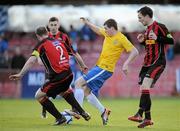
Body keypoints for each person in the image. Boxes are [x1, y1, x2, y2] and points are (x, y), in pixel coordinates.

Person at [9, 26, 90, 125]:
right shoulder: (60, 41)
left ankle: (60, 118)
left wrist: (21, 74)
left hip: (58, 77)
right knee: (63, 91)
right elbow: (75, 54)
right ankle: (82, 112)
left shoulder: (41, 44)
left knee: (38, 96)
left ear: (38, 36)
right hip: (69, 74)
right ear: (47, 32)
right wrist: (83, 66)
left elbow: (31, 60)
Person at [67, 17, 139, 125]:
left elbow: (135, 51)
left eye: (106, 28)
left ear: (112, 28)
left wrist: (126, 63)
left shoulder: (121, 38)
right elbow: (97, 29)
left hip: (105, 68)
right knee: (86, 91)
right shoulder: (107, 33)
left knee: (78, 83)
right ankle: (103, 111)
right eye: (104, 28)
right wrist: (87, 23)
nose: (104, 30)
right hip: (100, 67)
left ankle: (77, 110)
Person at [128, 6, 174, 128]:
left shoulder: (159, 26)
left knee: (145, 86)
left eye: (140, 17)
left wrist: (158, 37)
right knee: (143, 89)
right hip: (147, 63)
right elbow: (151, 45)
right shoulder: (147, 30)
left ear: (147, 16)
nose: (139, 20)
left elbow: (171, 40)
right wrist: (143, 41)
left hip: (158, 62)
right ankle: (146, 118)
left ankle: (140, 114)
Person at [41, 17, 88, 119]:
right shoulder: (45, 38)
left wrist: (82, 64)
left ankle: (75, 111)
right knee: (47, 91)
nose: (53, 27)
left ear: (58, 25)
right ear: (48, 26)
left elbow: (72, 51)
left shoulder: (63, 37)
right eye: (51, 25)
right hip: (50, 71)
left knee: (67, 90)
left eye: (55, 25)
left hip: (63, 70)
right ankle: (45, 110)